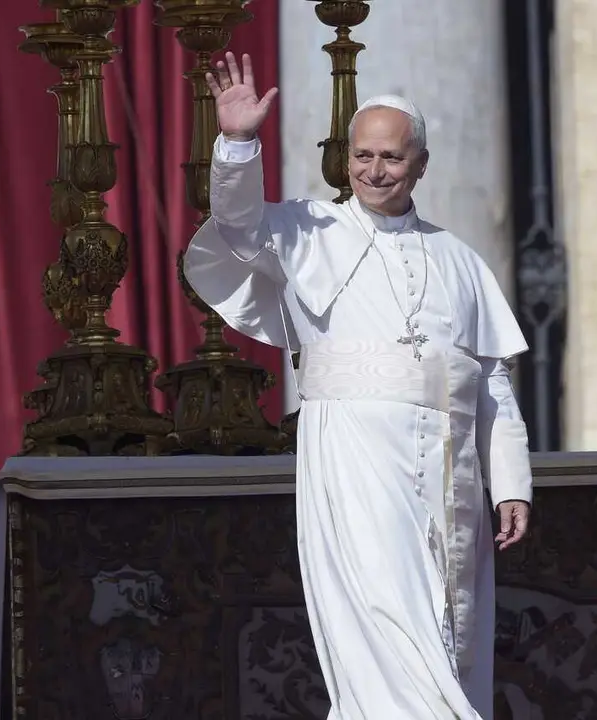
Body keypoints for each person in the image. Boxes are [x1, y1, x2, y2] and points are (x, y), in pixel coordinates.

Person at [185, 51, 534, 719]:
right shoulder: (309, 230)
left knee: (446, 631)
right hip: (356, 456)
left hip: (450, 471)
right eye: (363, 156)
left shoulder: (459, 259)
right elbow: (235, 225)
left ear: (421, 165)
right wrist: (236, 142)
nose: (374, 171)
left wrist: (511, 481)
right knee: (384, 617)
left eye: (392, 159)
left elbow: (492, 378)